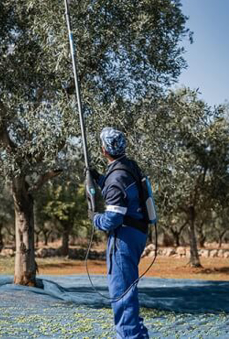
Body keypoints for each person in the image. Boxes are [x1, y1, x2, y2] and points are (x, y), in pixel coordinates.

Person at [90, 127, 149, 339]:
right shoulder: (129, 167)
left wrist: (95, 219)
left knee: (122, 294)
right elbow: (123, 192)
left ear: (104, 150)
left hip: (124, 237)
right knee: (127, 290)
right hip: (137, 233)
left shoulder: (116, 178)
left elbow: (112, 219)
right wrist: (98, 178)